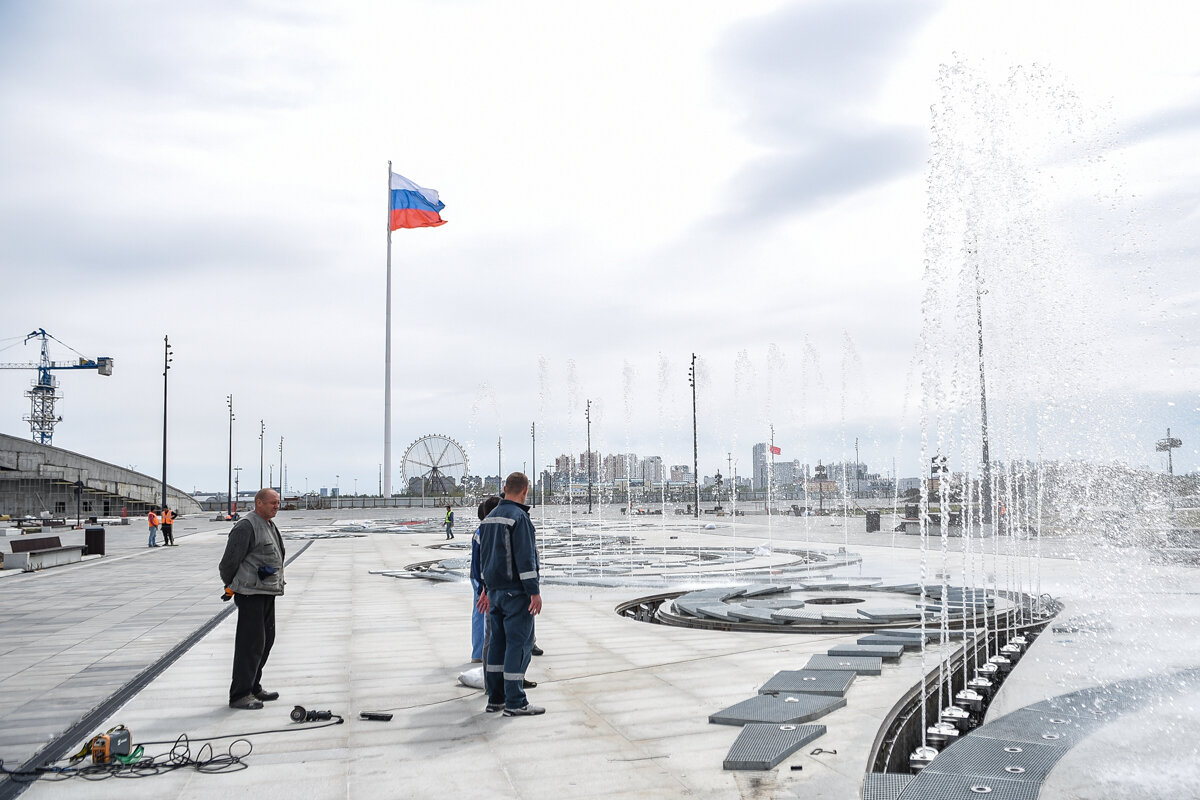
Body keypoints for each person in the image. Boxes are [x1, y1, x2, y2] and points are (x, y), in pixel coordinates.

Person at [476, 472, 543, 716]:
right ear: (525, 490)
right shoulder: (519, 518)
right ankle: (515, 701)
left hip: (494, 593)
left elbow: (485, 559)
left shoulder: (489, 519)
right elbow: (526, 559)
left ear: (505, 488)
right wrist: (533, 592)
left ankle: (496, 699)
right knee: (519, 643)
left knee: (497, 644)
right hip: (516, 593)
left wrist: (485, 589)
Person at [219, 488, 285, 710]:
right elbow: (229, 562)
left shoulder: (268, 524)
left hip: (266, 592)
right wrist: (232, 585)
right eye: (272, 502)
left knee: (265, 640)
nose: (277, 506)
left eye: (278, 502)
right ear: (259, 503)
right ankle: (240, 694)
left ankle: (253, 686)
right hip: (250, 594)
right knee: (250, 644)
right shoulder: (246, 526)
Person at [470, 496, 501, 662]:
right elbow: (479, 561)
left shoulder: (481, 530)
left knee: (480, 613)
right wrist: (482, 586)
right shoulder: (484, 531)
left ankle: (478, 652)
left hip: (479, 578)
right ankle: (481, 653)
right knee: (483, 613)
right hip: (482, 579)